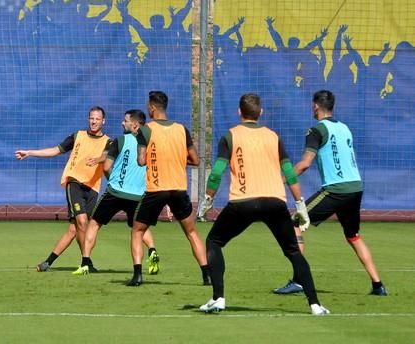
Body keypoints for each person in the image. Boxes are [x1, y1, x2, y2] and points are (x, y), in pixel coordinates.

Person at [197, 93, 329, 315]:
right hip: (274, 201)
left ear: (240, 112)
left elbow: (217, 172)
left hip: (243, 202)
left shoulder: (230, 136)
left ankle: (218, 298)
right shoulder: (273, 136)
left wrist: (207, 199)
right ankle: (315, 304)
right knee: (293, 252)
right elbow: (289, 172)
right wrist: (300, 204)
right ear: (260, 113)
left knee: (214, 241)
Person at [272, 90, 387, 296]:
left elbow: (304, 164)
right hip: (355, 187)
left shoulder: (316, 130)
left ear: (316, 106)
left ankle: (299, 280)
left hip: (337, 189)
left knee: (295, 223)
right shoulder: (344, 128)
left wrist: (278, 181)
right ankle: (378, 285)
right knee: (353, 236)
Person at [127, 91, 210, 286]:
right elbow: (196, 160)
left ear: (152, 108)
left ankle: (138, 275)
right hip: (178, 188)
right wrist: (176, 158)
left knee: (138, 230)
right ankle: (206, 275)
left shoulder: (145, 130)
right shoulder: (181, 129)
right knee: (191, 232)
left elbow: (141, 161)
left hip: (157, 188)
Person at [16, 107, 109, 272]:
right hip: (74, 183)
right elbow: (55, 150)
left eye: (97, 119)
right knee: (82, 222)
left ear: (103, 121)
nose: (94, 121)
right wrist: (30, 152)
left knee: (75, 229)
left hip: (93, 189)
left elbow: (110, 161)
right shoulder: (77, 136)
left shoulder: (108, 142)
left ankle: (48, 263)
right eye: (91, 118)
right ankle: (86, 262)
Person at [73, 109, 160, 276]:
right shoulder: (150, 144)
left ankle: (85, 262)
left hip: (115, 192)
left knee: (94, 224)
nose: (122, 123)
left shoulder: (120, 140)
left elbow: (106, 166)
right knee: (139, 227)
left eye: (125, 121)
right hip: (137, 194)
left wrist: (114, 179)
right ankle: (152, 250)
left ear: (134, 124)